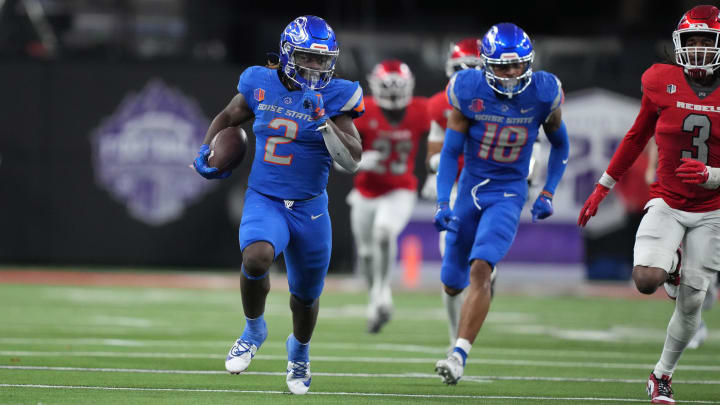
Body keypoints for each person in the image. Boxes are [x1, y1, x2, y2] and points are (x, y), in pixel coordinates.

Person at [192, 15, 364, 395]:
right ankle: (254, 329)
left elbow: (352, 159)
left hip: (310, 208)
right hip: (265, 198)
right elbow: (228, 116)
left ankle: (299, 354)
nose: (317, 67)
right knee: (256, 257)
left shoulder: (337, 95)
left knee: (305, 298)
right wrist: (206, 147)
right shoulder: (259, 82)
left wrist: (324, 122)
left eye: (323, 59)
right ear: (288, 54)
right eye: (309, 58)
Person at [577, 5, 720, 404]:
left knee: (694, 300)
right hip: (669, 199)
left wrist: (713, 176)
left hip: (714, 208)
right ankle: (671, 266)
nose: (696, 49)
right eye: (690, 41)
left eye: (705, 41)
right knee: (645, 280)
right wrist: (603, 186)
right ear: (677, 44)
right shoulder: (660, 80)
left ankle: (662, 375)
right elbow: (637, 136)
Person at [433, 23, 569, 385]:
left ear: (529, 63)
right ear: (484, 65)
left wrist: (548, 191)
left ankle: (459, 354)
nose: (511, 74)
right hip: (471, 189)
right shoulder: (467, 89)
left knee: (480, 269)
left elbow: (561, 145)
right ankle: (476, 284)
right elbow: (449, 152)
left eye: (517, 65)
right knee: (450, 282)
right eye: (502, 66)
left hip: (509, 191)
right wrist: (441, 201)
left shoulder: (543, 92)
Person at [424, 37, 544, 348]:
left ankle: (464, 332)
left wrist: (529, 177)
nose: (465, 74)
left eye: (472, 68)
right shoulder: (444, 102)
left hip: (499, 186)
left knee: (481, 267)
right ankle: (455, 335)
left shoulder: (523, 99)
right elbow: (436, 151)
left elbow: (537, 143)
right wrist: (436, 166)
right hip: (458, 189)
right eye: (459, 69)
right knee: (452, 269)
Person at [347, 60, 430, 333]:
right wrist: (359, 160)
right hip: (365, 191)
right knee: (367, 254)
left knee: (384, 233)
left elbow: (447, 132)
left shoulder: (420, 110)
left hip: (399, 189)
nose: (394, 95)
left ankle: (384, 293)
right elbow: (339, 158)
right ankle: (375, 301)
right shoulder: (363, 110)